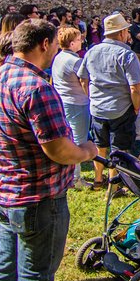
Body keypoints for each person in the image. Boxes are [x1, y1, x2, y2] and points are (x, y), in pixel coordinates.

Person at [0, 19, 98, 281]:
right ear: (44, 44)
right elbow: (58, 149)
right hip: (38, 198)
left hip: (5, 192)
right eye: (55, 44)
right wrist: (88, 151)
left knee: (5, 267)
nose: (56, 49)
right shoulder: (36, 88)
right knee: (35, 275)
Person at [78, 12, 140, 189]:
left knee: (100, 146)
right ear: (122, 32)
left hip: (98, 107)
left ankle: (98, 179)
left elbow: (83, 79)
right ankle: (113, 185)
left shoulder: (92, 51)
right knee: (119, 149)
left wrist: (91, 97)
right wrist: (137, 106)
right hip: (121, 107)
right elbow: (135, 87)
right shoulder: (127, 55)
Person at [51, 26, 92, 188]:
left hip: (63, 101)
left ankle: (67, 173)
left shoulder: (58, 57)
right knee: (78, 139)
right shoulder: (75, 61)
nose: (81, 41)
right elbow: (85, 79)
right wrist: (90, 96)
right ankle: (75, 178)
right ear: (72, 43)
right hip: (77, 102)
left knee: (67, 137)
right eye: (78, 39)